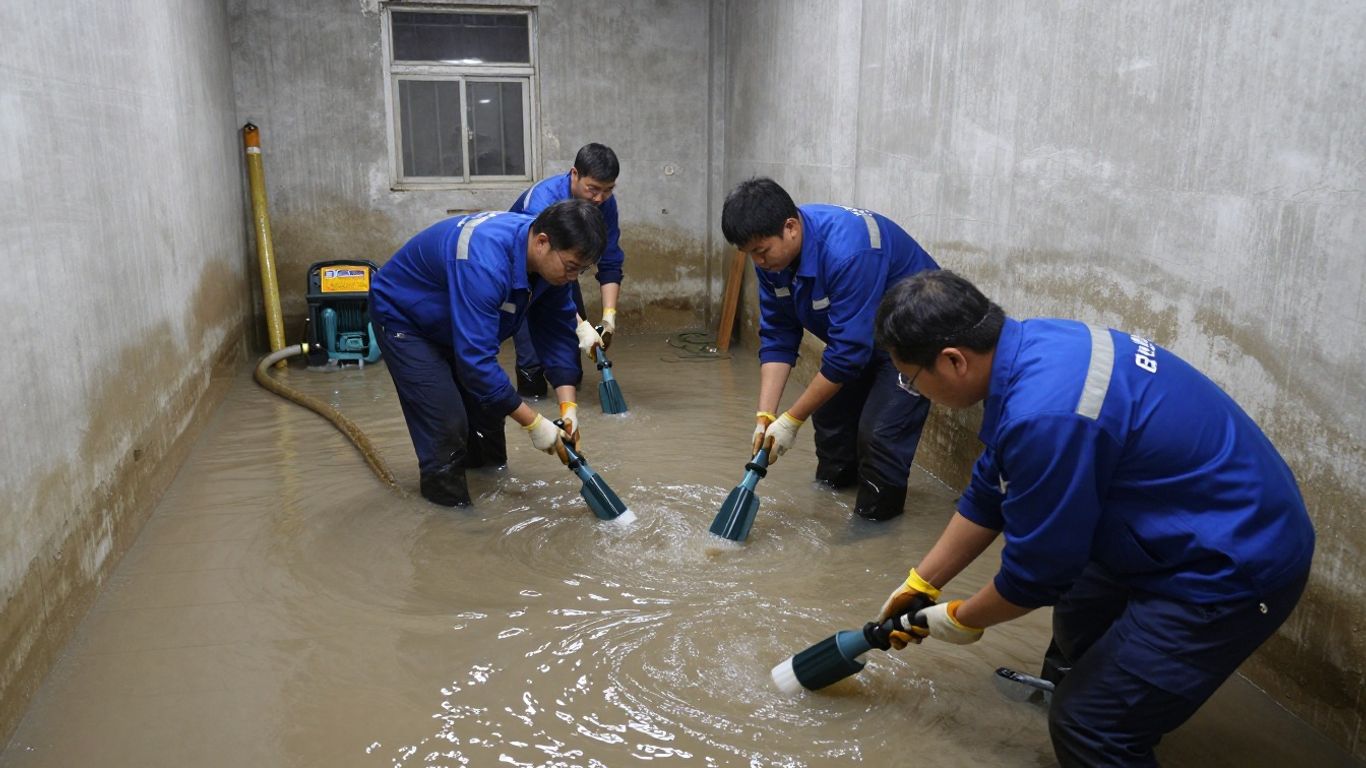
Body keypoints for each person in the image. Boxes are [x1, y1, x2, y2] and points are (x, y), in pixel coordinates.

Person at [870, 270, 1315, 766]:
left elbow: (1033, 579)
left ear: (953, 360)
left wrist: (957, 619)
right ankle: (1097, 690)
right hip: (1186, 515)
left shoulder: (1044, 415)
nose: (911, 390)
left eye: (910, 379)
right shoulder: (1032, 346)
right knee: (1080, 619)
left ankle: (1104, 729)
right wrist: (922, 582)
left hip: (1232, 563)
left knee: (1090, 724)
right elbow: (989, 492)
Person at [719, 177, 940, 520]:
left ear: (790, 227)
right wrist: (766, 416)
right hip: (858, 332)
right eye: (750, 255)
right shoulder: (772, 261)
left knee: (879, 436)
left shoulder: (848, 251)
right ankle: (830, 501)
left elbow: (847, 356)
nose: (758, 263)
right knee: (831, 419)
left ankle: (873, 528)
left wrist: (791, 420)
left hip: (913, 337)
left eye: (761, 252)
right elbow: (779, 334)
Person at [368, 200, 608, 507]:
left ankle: (493, 493)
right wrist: (535, 424)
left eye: (582, 269)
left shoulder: (551, 265)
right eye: (571, 267)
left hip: (456, 321)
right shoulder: (484, 262)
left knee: (488, 416)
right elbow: (477, 364)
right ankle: (453, 522)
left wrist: (567, 408)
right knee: (446, 423)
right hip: (407, 319)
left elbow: (558, 332)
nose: (573, 277)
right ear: (542, 242)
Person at [508, 143, 626, 398]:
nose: (599, 198)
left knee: (570, 361)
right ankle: (533, 403)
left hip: (564, 273)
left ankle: (570, 409)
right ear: (575, 174)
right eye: (593, 189)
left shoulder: (605, 204)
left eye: (607, 190)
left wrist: (608, 317)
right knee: (532, 366)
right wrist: (581, 324)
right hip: (525, 278)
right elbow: (541, 264)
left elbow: (610, 261)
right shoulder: (541, 203)